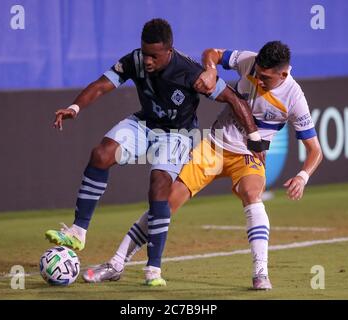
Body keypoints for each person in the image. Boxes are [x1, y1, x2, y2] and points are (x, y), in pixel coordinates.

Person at [83, 41, 323, 290]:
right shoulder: (249, 61)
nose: (258, 79)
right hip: (213, 148)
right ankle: (117, 262)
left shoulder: (295, 98)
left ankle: (260, 271)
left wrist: (302, 176)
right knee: (165, 202)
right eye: (257, 74)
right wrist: (210, 68)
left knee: (252, 193)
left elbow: (315, 150)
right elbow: (213, 53)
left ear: (283, 74)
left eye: (266, 77)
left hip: (247, 156)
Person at [45, 18, 267, 286]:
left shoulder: (190, 71)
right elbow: (101, 84)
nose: (147, 60)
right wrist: (75, 107)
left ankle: (153, 268)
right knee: (101, 155)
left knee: (159, 184)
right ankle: (78, 231)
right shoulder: (135, 60)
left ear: (169, 51)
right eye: (145, 52)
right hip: (145, 123)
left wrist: (254, 138)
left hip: (178, 133)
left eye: (154, 55)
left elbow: (234, 99)